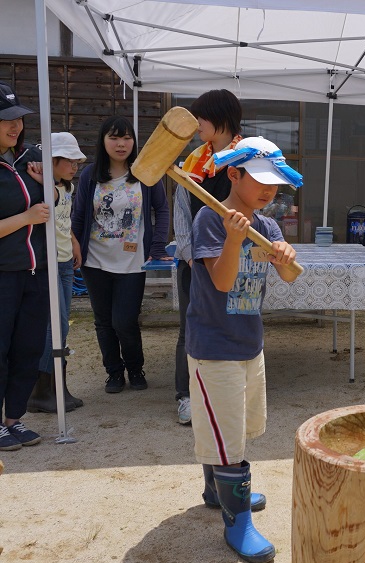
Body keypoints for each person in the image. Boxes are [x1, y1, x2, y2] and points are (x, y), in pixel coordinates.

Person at [185, 136, 300, 563]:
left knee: (237, 427)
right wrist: (234, 240)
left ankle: (217, 490)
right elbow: (221, 282)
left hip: (250, 344)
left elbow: (287, 277)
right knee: (228, 436)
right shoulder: (209, 220)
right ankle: (238, 525)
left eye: (276, 183)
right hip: (214, 347)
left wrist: (284, 255)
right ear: (233, 174)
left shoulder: (267, 225)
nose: (270, 190)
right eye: (261, 180)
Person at [72, 116, 170, 394]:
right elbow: (79, 216)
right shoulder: (91, 175)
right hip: (95, 262)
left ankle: (135, 368)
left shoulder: (145, 172)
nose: (121, 144)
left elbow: (161, 210)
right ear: (103, 141)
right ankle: (113, 373)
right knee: (103, 322)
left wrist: (157, 246)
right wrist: (76, 247)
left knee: (124, 321)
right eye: (114, 137)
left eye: (126, 137)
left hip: (132, 262)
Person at [173, 89, 243, 426]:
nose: (196, 124)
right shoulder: (194, 161)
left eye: (201, 117)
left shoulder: (246, 156)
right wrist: (189, 254)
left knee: (234, 322)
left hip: (235, 258)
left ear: (220, 119)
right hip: (196, 262)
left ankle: (227, 393)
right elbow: (182, 210)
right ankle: (186, 396)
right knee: (192, 328)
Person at [0, 81, 48, 450]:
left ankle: (13, 418)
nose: (14, 126)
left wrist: (47, 185)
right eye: (5, 119)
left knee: (28, 347)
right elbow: (32, 214)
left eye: (18, 118)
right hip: (4, 273)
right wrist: (26, 216)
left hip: (36, 270)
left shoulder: (28, 156)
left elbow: (53, 206)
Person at [27, 132, 86, 413]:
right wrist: (43, 174)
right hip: (49, 264)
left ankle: (55, 387)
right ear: (53, 160)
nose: (74, 166)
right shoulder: (48, 187)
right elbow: (48, 196)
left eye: (77, 161)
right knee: (55, 326)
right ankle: (43, 389)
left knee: (61, 325)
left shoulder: (68, 188)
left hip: (64, 262)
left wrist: (74, 241)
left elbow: (65, 221)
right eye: (69, 160)